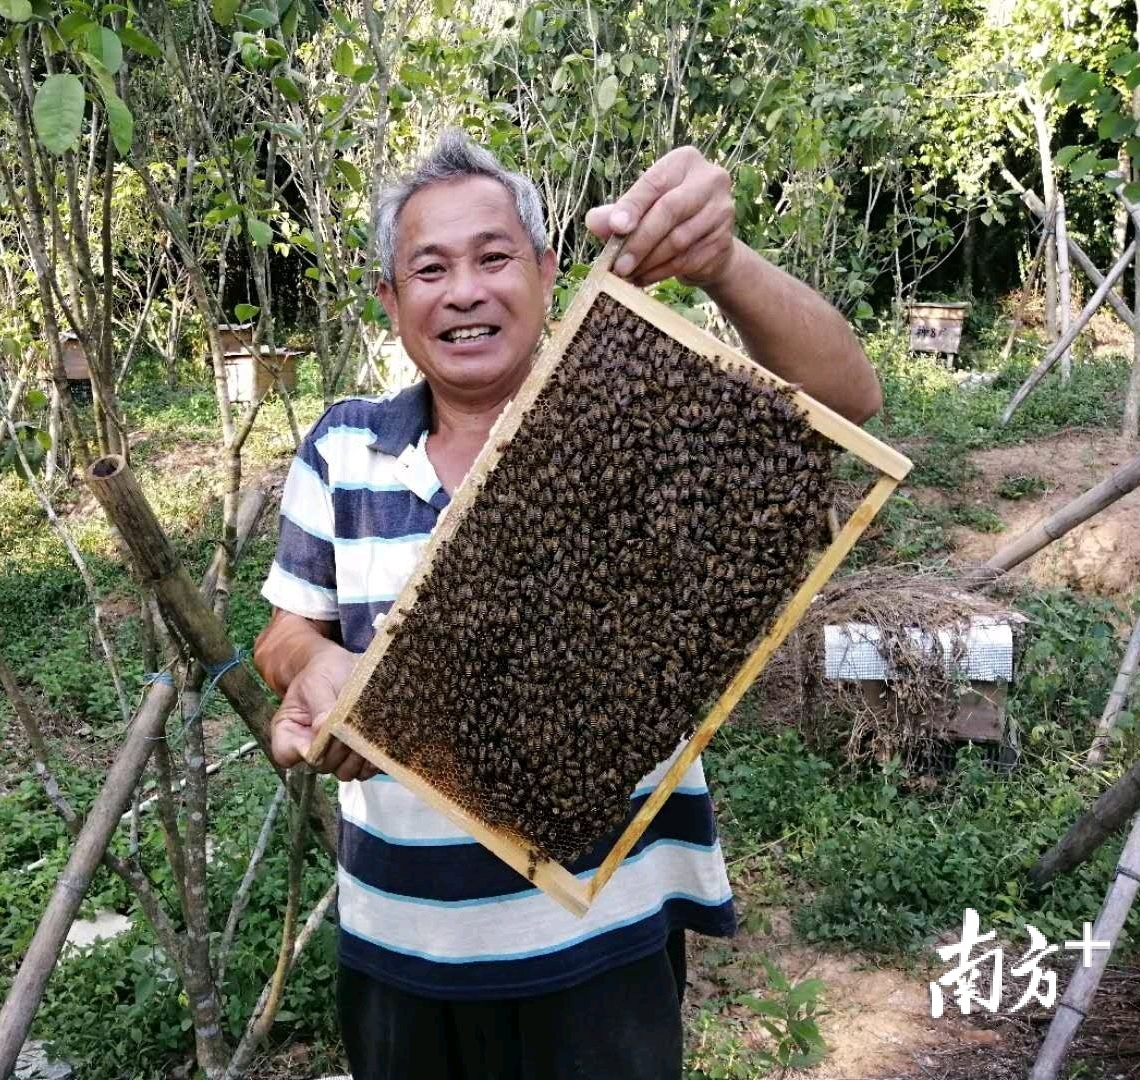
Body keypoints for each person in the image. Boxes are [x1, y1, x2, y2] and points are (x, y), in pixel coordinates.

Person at [253, 130, 881, 1079]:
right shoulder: (343, 448)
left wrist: (722, 263)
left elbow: (847, 397)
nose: (464, 291)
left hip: (607, 942)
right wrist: (314, 665)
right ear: (390, 300)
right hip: (403, 943)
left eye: (494, 257)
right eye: (430, 269)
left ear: (547, 272)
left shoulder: (645, 428)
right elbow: (285, 633)